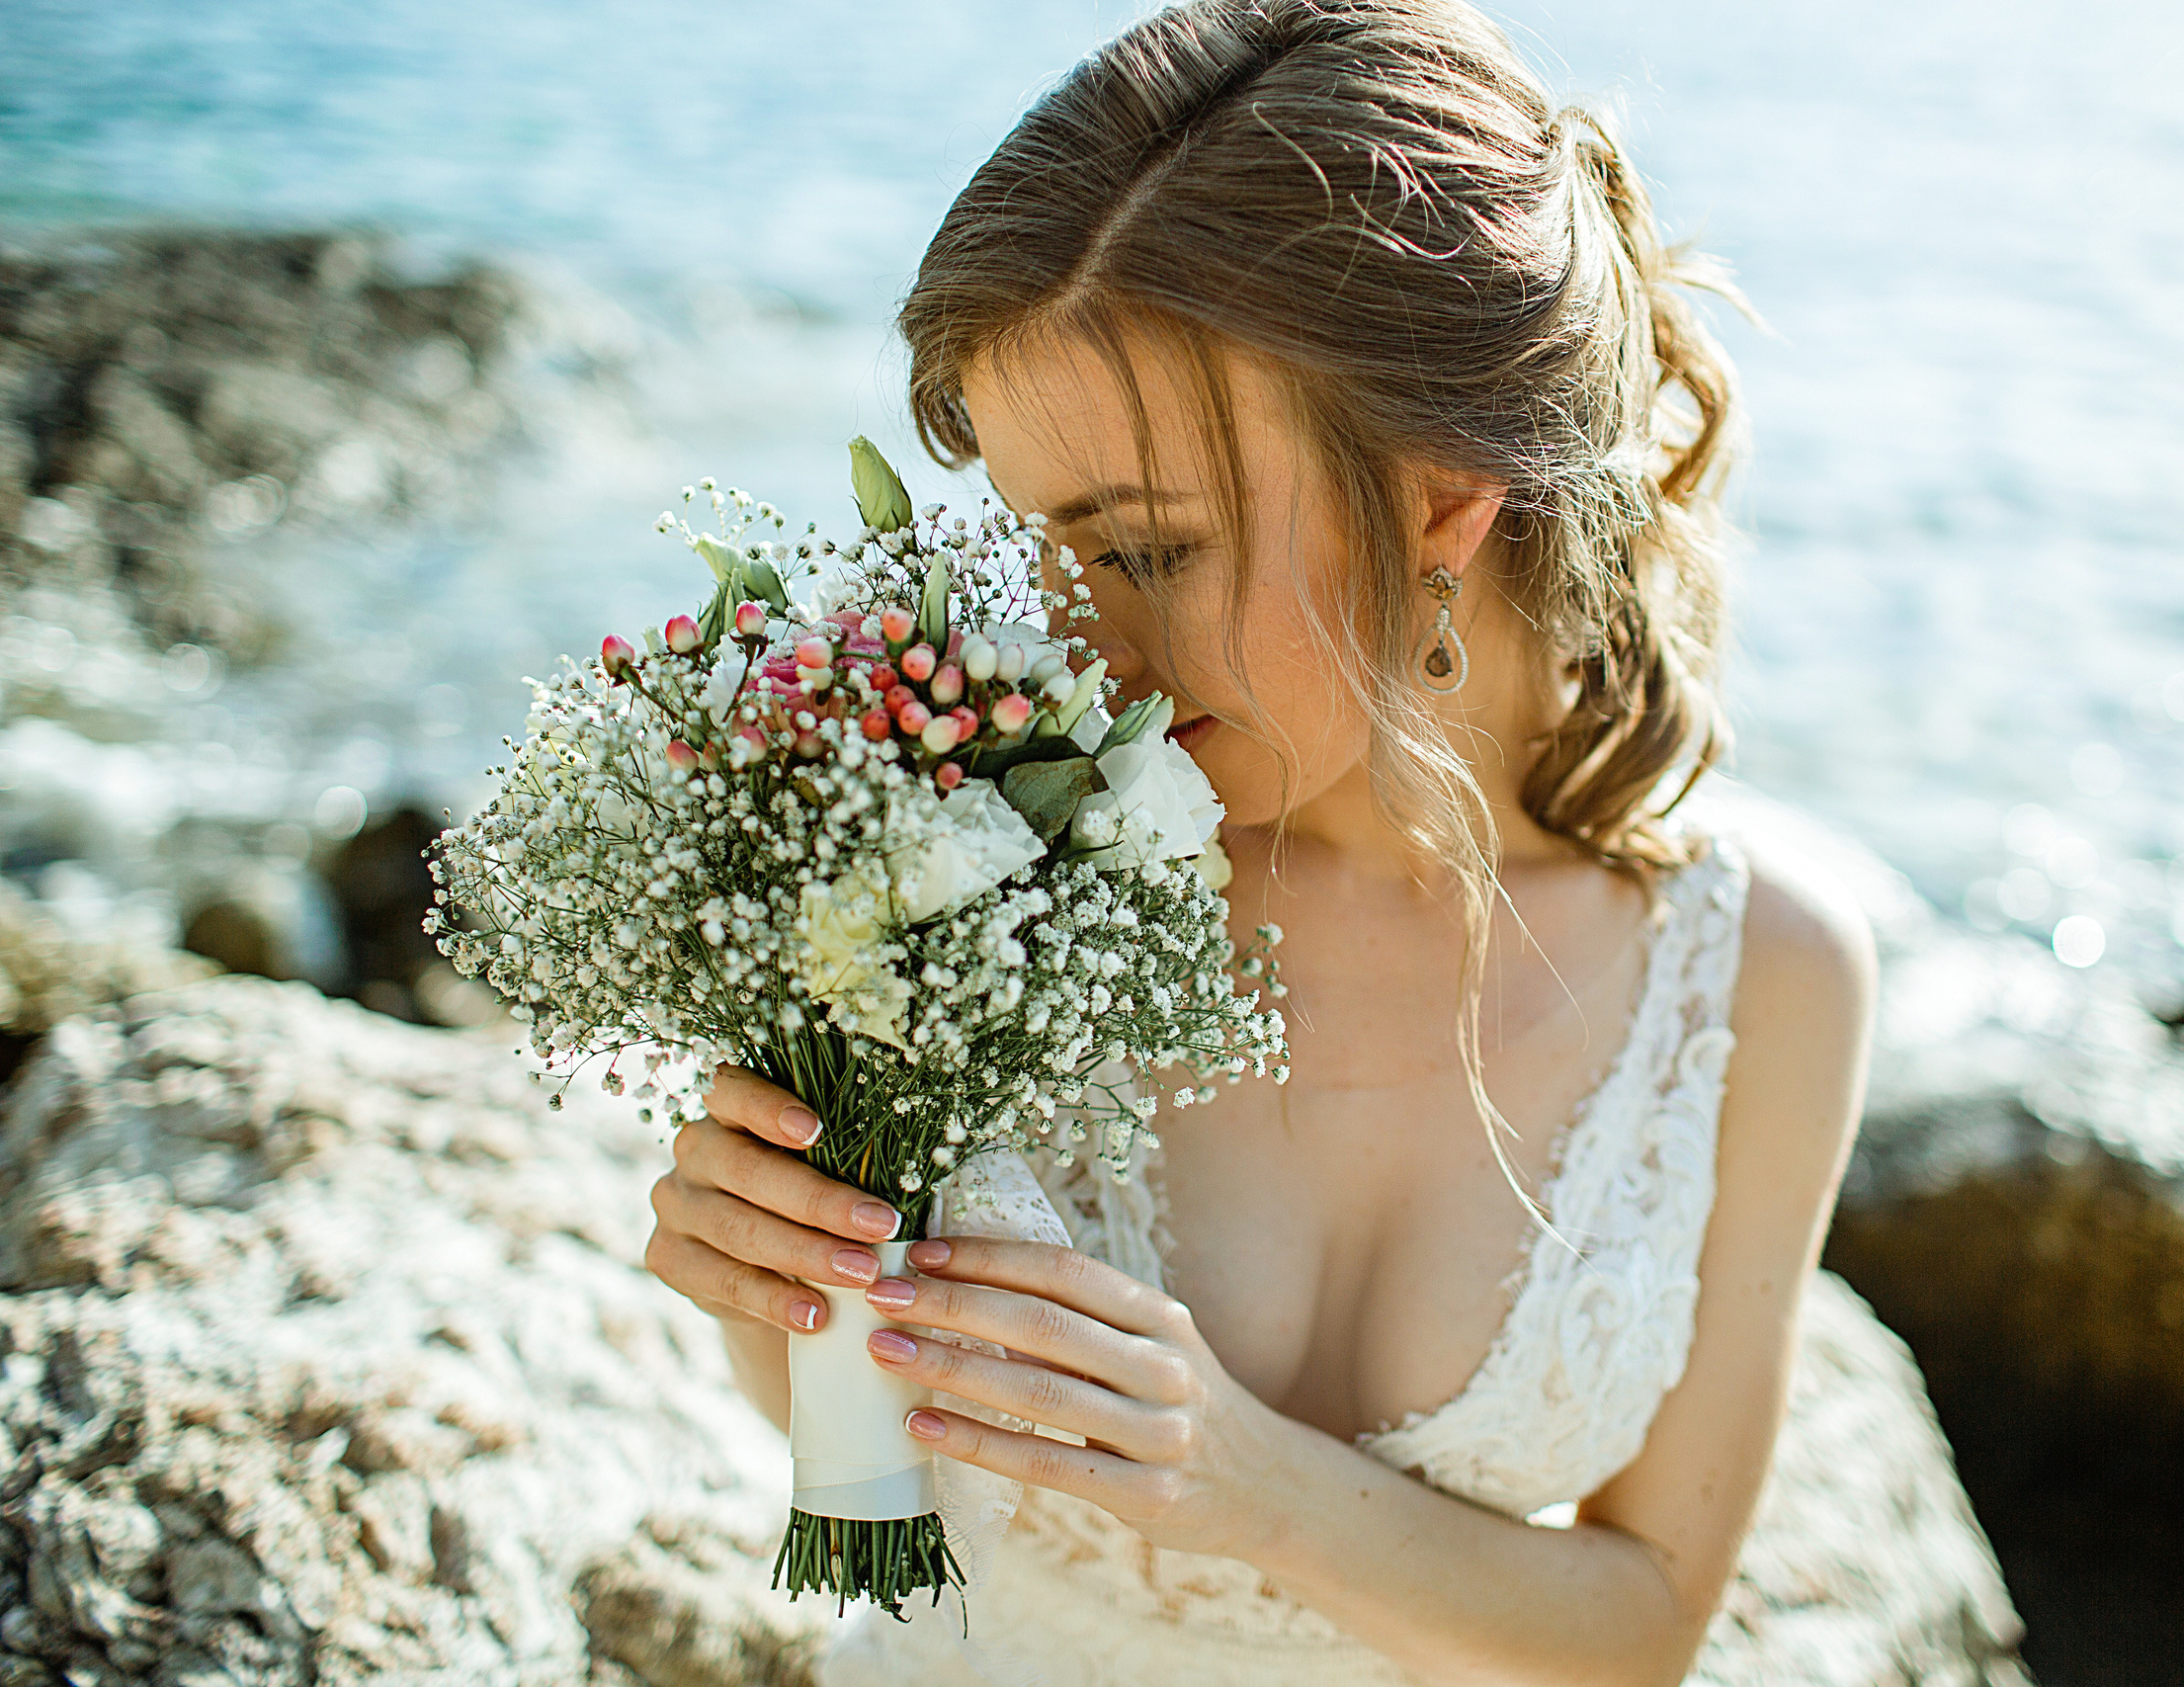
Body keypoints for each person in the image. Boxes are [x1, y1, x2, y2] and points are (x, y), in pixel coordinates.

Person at [642, 1, 1875, 1680]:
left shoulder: (1769, 976)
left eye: (1142, 552)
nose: (1068, 652)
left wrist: (1237, 1479)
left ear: (1445, 494)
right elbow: (858, 1457)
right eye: (1035, 548)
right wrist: (762, 1281)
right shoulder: (960, 854)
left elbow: (1643, 1625)